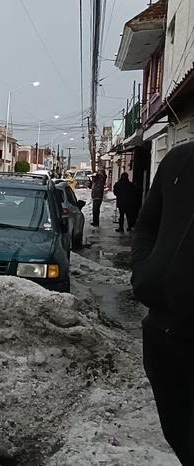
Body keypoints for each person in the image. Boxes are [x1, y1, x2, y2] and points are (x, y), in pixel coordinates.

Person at [131, 141, 194, 465]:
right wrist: (146, 273)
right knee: (177, 433)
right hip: (163, 334)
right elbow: (146, 225)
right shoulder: (180, 161)